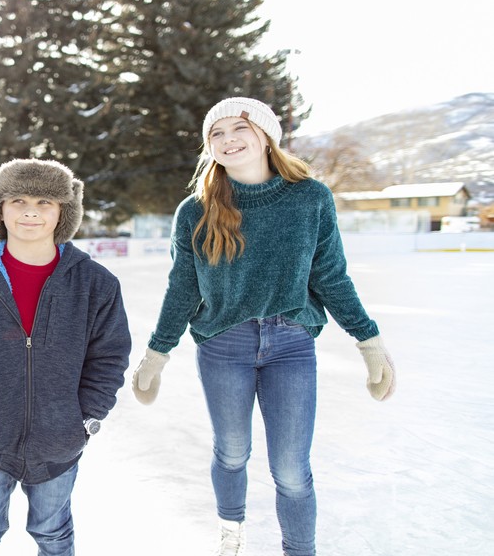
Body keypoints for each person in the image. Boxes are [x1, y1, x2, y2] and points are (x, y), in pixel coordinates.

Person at [130, 97, 396, 556]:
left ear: (266, 136)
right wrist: (156, 354)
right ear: (208, 146)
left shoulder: (310, 198)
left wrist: (368, 341)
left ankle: (299, 550)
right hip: (223, 346)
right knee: (232, 453)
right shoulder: (195, 211)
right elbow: (182, 288)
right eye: (217, 133)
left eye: (240, 128)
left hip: (291, 344)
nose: (228, 140)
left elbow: (329, 275)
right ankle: (231, 534)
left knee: (292, 469)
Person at [0, 159, 131, 555]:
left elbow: (109, 356)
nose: (31, 211)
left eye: (45, 201)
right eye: (17, 200)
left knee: (53, 534)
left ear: (63, 212)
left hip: (59, 442)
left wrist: (85, 418)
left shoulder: (95, 283)